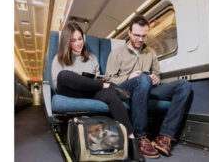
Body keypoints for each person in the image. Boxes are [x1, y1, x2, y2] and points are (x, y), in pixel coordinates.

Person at [51, 22, 145, 161]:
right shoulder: (59, 58)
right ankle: (109, 86)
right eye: (73, 40)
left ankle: (131, 139)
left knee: (111, 96)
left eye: (80, 38)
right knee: (64, 75)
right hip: (70, 91)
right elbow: (57, 82)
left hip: (91, 90)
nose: (78, 43)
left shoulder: (92, 58)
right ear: (67, 42)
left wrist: (99, 82)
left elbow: (96, 78)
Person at [106, 15, 192, 158]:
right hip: (125, 89)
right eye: (136, 35)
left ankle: (164, 136)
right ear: (129, 33)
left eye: (144, 36)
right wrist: (129, 77)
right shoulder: (116, 54)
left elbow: (157, 74)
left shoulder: (151, 52)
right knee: (143, 80)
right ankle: (141, 137)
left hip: (147, 88)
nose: (140, 39)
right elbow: (109, 80)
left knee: (184, 85)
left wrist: (155, 78)